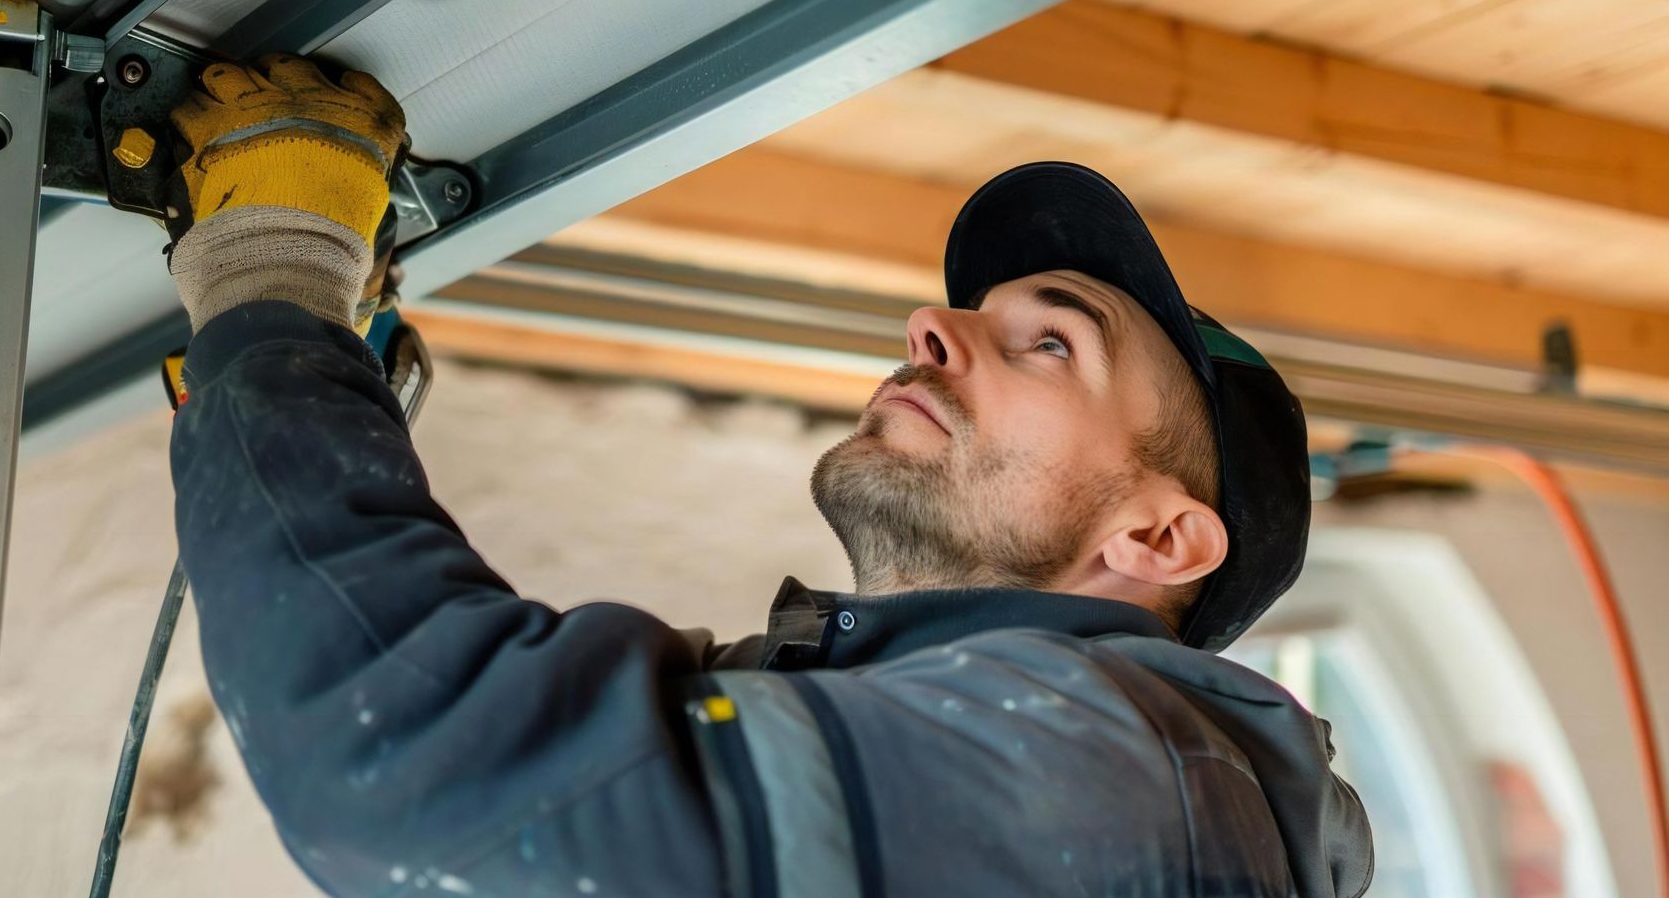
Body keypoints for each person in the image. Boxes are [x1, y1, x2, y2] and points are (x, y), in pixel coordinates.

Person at [163, 56, 1374, 897]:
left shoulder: (1112, 770)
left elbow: (437, 762)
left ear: (1158, 539)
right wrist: (291, 375)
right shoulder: (959, 731)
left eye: (1051, 342)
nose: (929, 327)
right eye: (971, 311)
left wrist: (278, 276)